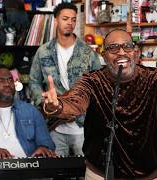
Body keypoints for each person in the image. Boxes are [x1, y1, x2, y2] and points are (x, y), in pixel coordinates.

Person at [42, 29, 157, 179]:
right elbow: (75, 103)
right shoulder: (92, 81)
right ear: (103, 54)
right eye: (113, 48)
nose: (121, 52)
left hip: (150, 173)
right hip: (101, 172)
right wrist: (56, 107)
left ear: (135, 52)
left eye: (127, 46)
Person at [29, 2, 102, 157]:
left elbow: (100, 86)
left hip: (83, 126)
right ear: (56, 20)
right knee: (56, 171)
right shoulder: (43, 52)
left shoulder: (88, 53)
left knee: (85, 171)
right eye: (65, 18)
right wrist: (43, 103)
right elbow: (33, 81)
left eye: (74, 19)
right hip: (54, 127)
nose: (70, 23)